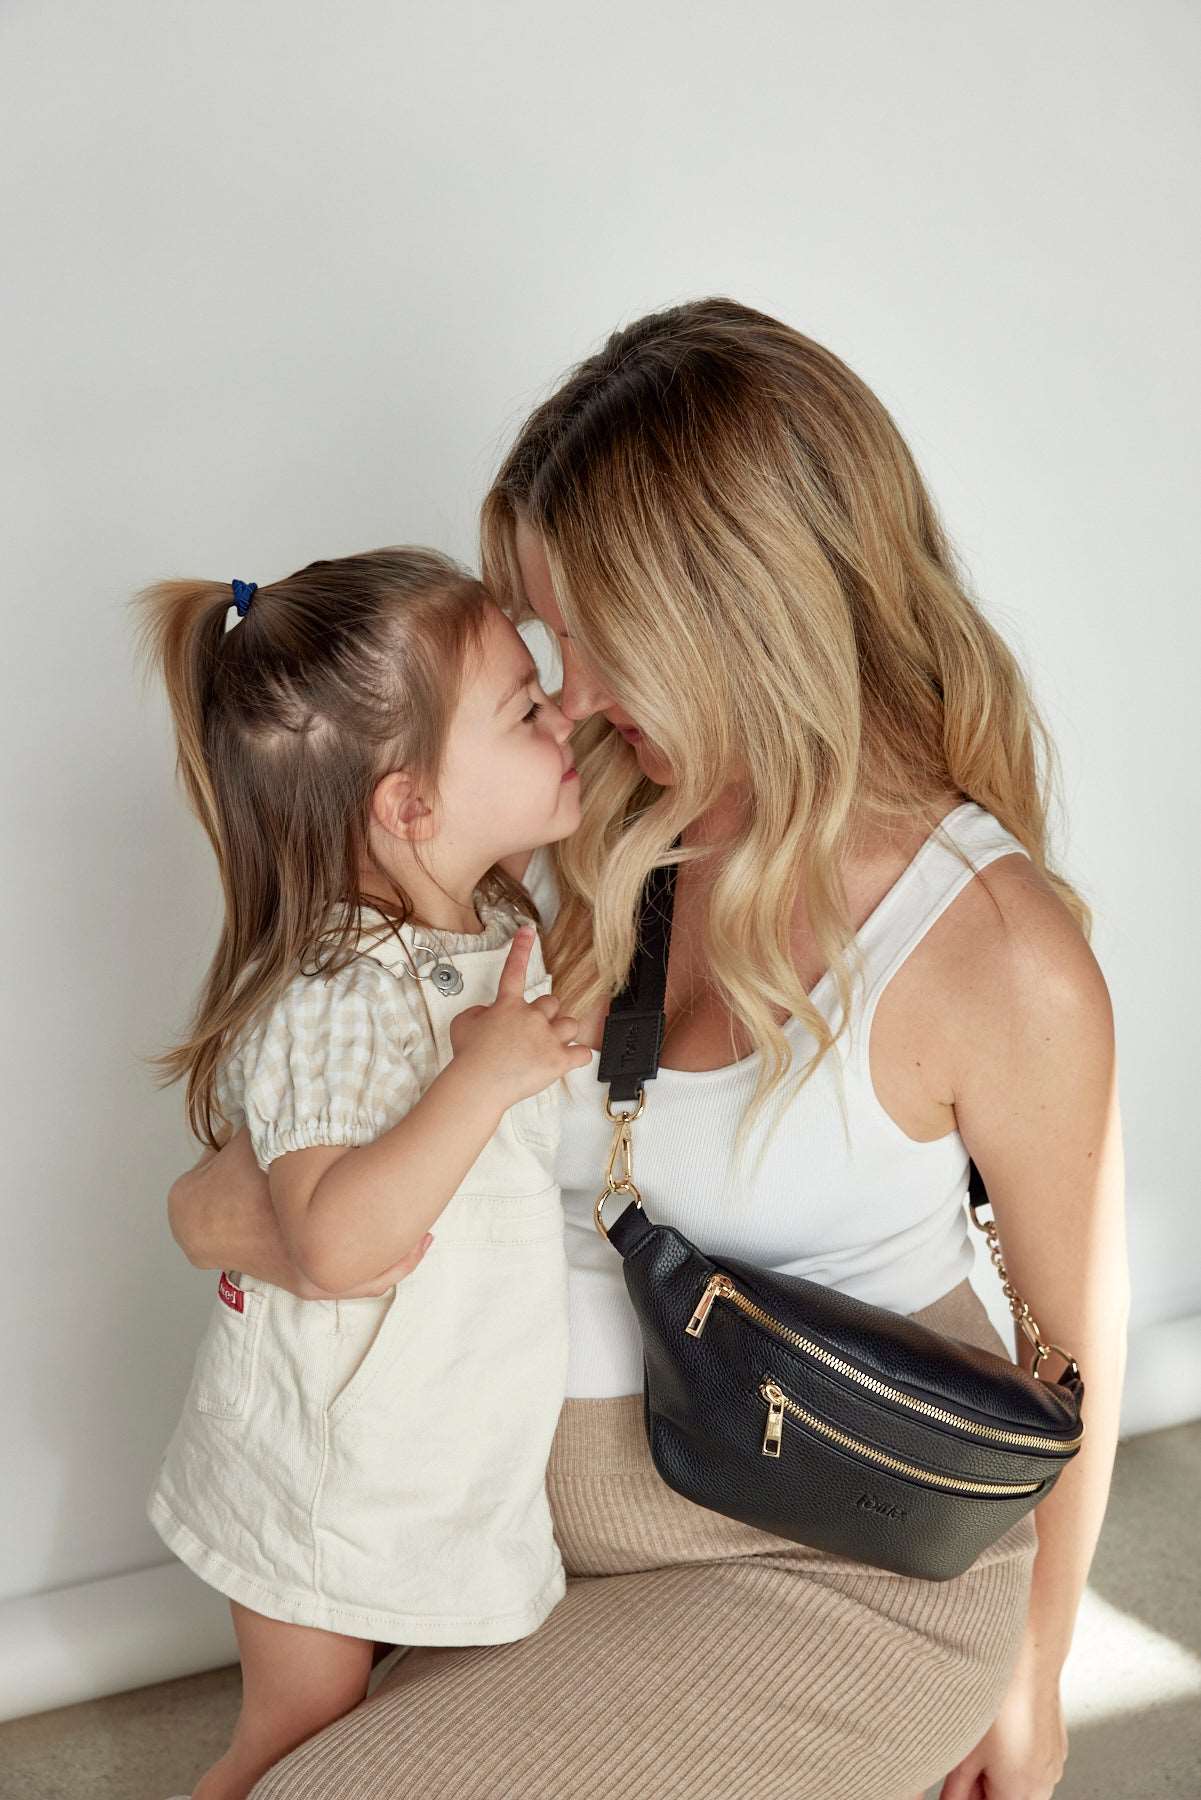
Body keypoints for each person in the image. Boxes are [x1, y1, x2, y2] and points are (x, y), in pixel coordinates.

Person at [165, 300, 1127, 1800]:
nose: (576, 692)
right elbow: (279, 1154)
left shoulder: (993, 952)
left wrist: (1041, 1671)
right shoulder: (583, 820)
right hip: (513, 1538)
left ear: (732, 611)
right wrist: (234, 1211)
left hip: (826, 1572)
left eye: (600, 638)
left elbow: (1073, 1331)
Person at [133, 546, 590, 1800]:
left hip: (434, 1456)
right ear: (408, 807)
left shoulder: (492, 928)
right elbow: (334, 1247)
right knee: (301, 1742)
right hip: (322, 1479)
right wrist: (483, 1079)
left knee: (398, 1737)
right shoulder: (337, 992)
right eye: (524, 707)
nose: (563, 716)